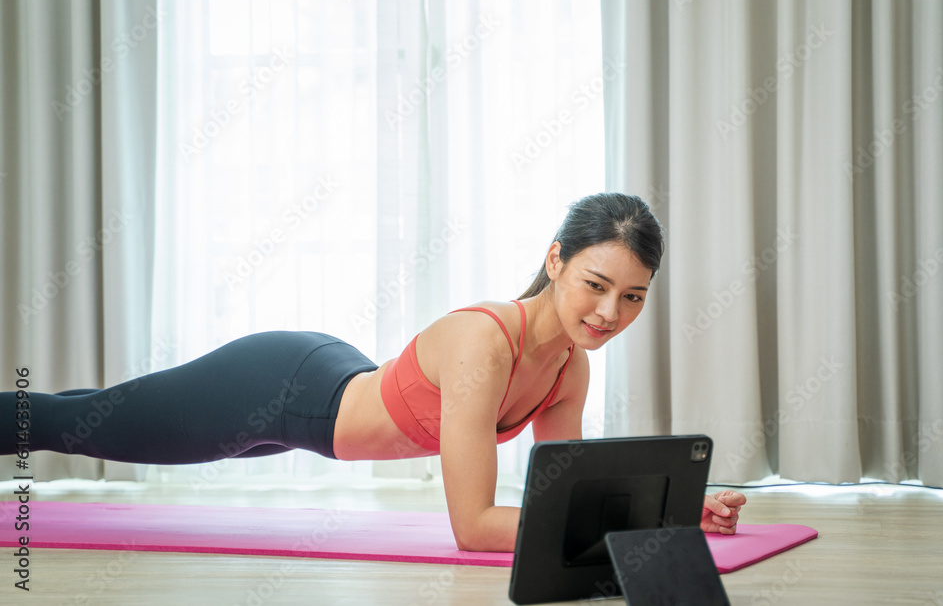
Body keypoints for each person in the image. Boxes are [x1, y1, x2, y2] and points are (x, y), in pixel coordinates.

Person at [2, 192, 744, 552]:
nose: (611, 311)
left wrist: (672, 510)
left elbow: (564, 491)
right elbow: (475, 526)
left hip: (330, 382)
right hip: (280, 388)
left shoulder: (566, 368)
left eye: (633, 296)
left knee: (92, 408)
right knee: (78, 423)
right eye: (596, 283)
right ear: (555, 260)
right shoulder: (485, 346)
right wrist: (632, 522)